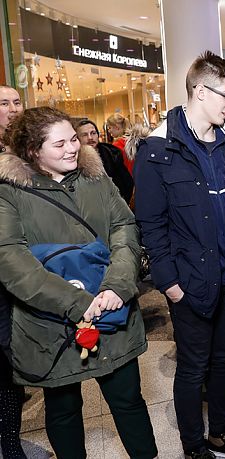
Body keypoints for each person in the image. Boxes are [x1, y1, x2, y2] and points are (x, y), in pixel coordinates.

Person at [0, 106, 157, 459]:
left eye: (73, 139)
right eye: (60, 144)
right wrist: (77, 302)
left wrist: (117, 284)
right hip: (49, 322)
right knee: (63, 410)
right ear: (32, 151)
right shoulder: (9, 192)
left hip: (111, 313)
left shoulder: (95, 176)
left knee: (128, 400)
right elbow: (11, 262)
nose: (73, 148)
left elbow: (124, 227)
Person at [134, 51, 225, 459]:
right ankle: (193, 446)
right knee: (193, 368)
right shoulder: (157, 150)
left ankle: (221, 432)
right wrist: (169, 283)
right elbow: (151, 225)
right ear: (200, 91)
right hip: (190, 282)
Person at [0, 84, 26, 459]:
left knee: (11, 363)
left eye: (17, 101)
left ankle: (11, 442)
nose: (13, 108)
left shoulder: (28, 152)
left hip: (20, 273)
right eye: (4, 103)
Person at [75, 119, 134, 203]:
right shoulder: (73, 159)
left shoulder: (112, 153)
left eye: (93, 133)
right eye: (84, 135)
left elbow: (127, 182)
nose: (90, 138)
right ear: (77, 138)